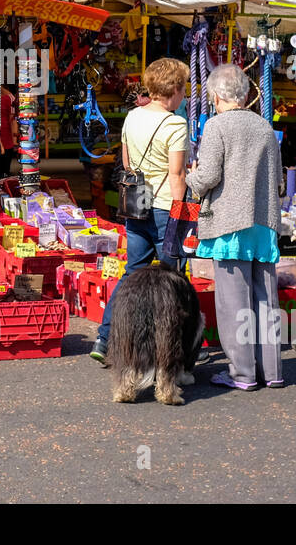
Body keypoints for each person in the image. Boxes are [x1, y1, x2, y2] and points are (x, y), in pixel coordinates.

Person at [186, 64, 284, 390]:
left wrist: (190, 178)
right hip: (263, 220)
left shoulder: (217, 126)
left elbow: (209, 176)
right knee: (265, 299)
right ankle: (271, 371)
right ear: (245, 93)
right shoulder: (265, 128)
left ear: (216, 96)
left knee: (233, 302)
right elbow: (278, 179)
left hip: (230, 221)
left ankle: (241, 373)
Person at [91, 57, 189, 363]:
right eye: (183, 87)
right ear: (173, 88)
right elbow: (178, 176)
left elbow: (128, 163)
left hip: (137, 203)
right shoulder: (176, 124)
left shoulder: (133, 116)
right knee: (172, 279)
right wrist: (181, 215)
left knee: (132, 274)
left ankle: (105, 338)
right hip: (164, 208)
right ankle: (172, 350)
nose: (184, 94)